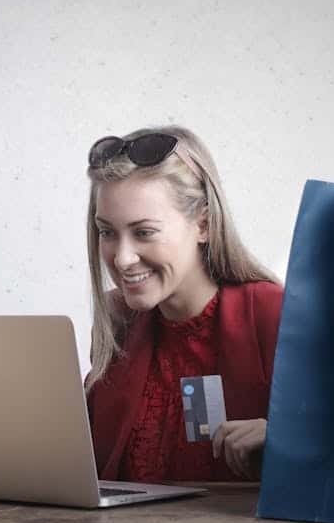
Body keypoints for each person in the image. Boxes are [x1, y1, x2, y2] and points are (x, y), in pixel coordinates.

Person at [84, 126, 283, 482]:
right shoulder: (119, 324)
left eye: (144, 232)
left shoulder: (271, 314)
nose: (123, 258)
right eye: (107, 232)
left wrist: (289, 438)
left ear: (203, 224)